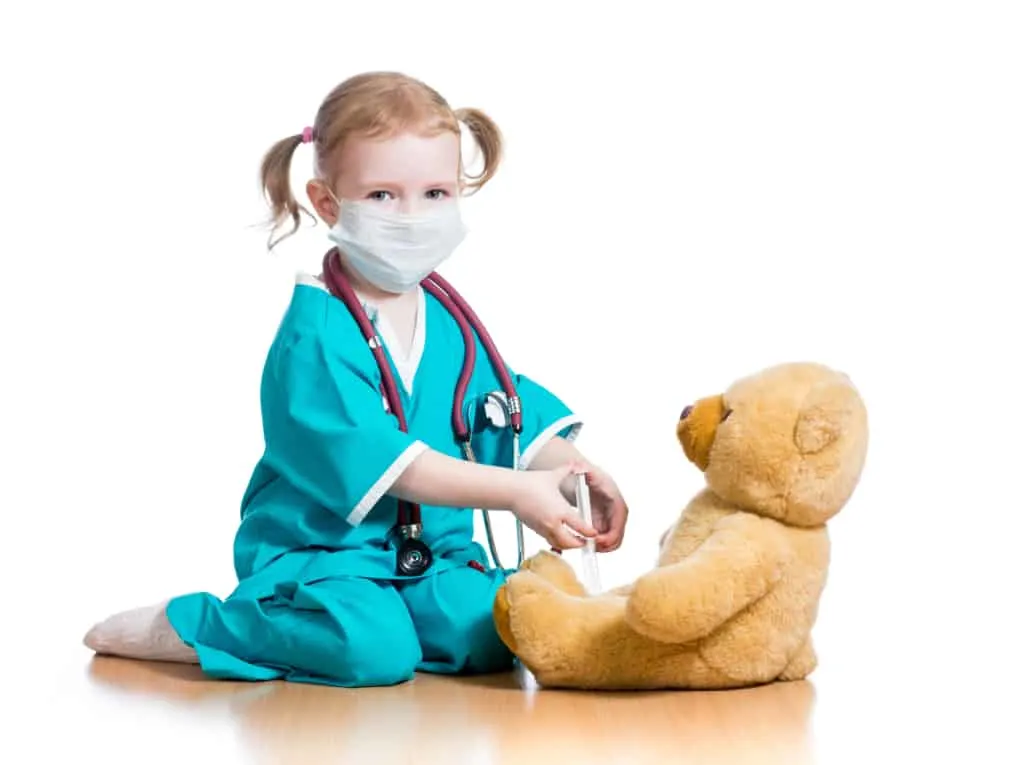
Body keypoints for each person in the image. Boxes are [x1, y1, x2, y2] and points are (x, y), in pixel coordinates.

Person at [83, 71, 629, 687]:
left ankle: (408, 612)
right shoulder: (316, 333)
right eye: (381, 196)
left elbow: (503, 410)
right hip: (324, 560)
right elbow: (390, 462)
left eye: (435, 193)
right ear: (325, 202)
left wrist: (573, 471)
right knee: (371, 650)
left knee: (499, 626)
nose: (413, 216)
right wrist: (513, 491)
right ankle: (201, 626)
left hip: (426, 560)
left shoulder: (447, 319)